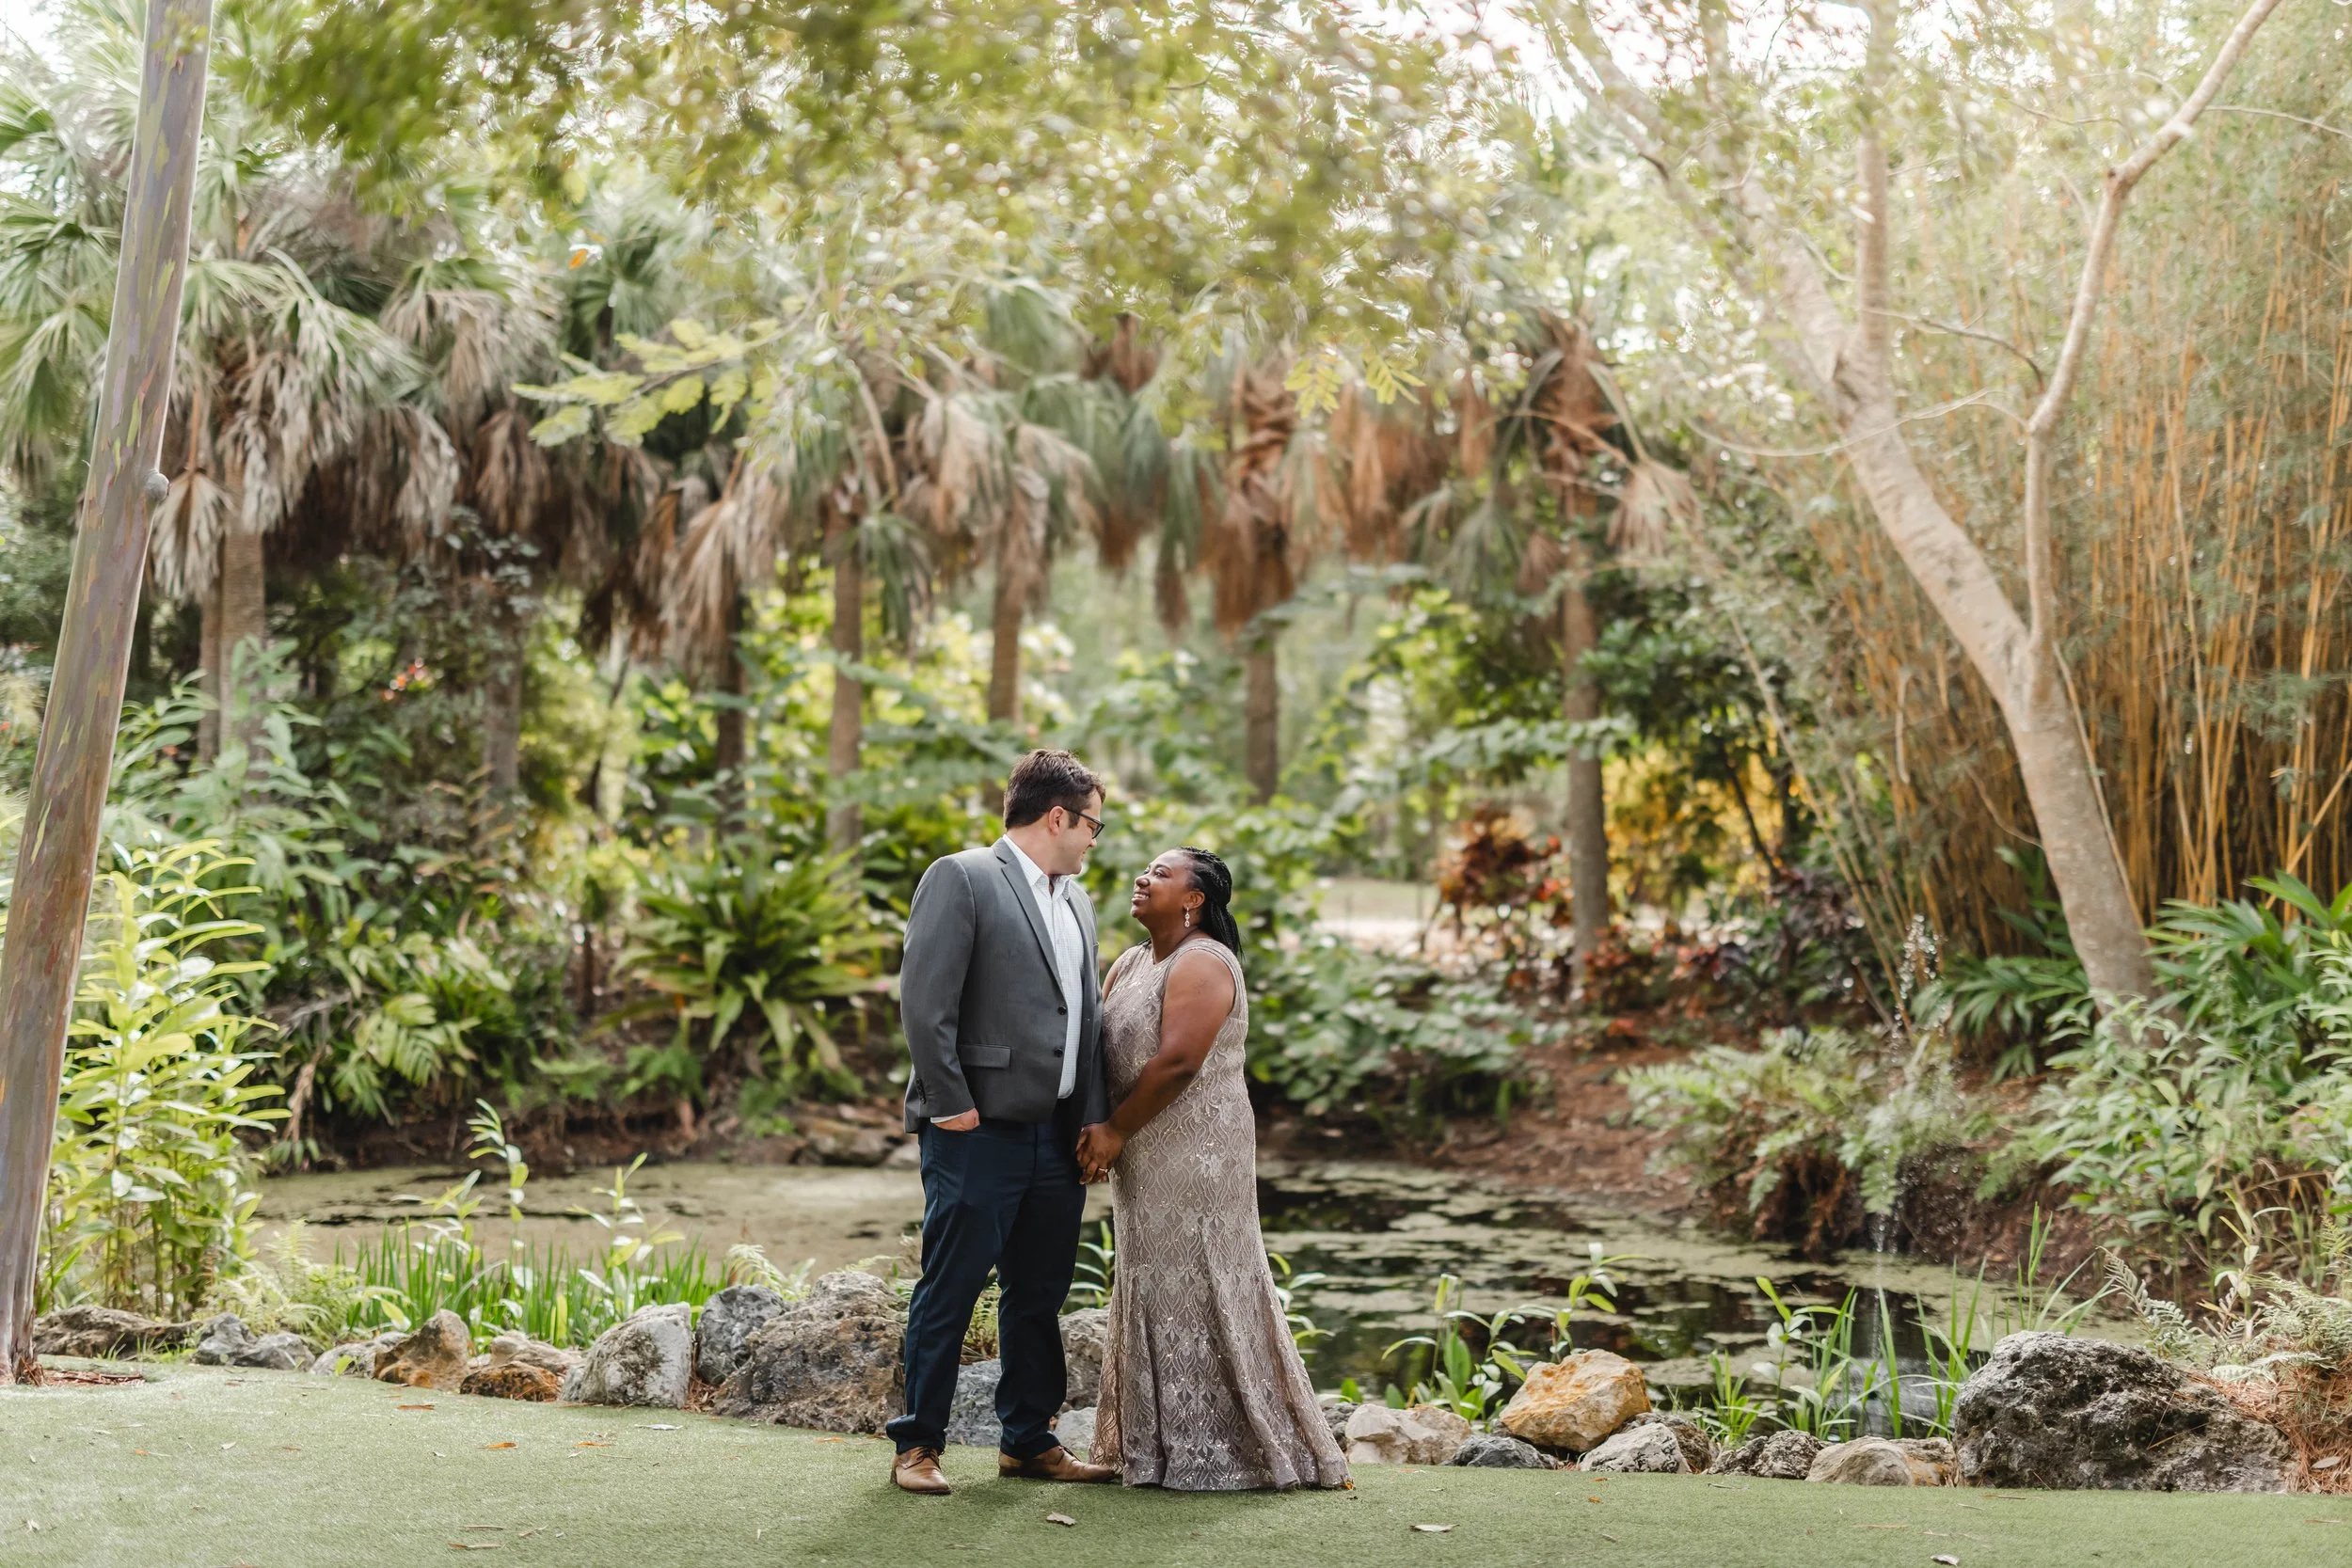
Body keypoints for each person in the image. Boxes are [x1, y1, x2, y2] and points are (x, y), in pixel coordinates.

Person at [1077, 847, 1350, 1491]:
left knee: (1202, 1272)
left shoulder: (1203, 961)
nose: (1143, 878)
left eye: (1162, 873)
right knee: (1150, 1275)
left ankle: (1236, 1447)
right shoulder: (1132, 962)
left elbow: (1177, 1062)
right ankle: (1156, 1449)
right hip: (1142, 1147)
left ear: (1194, 899)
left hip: (1197, 1149)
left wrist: (1113, 1129)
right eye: (1146, 869)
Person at [886, 749, 1119, 1496]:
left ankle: (1027, 1439)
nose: (1094, 839)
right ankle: (917, 1444)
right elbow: (926, 1001)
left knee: (1040, 1292)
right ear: (1059, 816)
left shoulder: (1077, 900)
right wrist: (950, 1101)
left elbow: (1084, 1020)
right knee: (951, 1287)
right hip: (974, 1128)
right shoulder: (961, 876)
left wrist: (1090, 1120)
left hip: (1056, 1136)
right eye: (1094, 825)